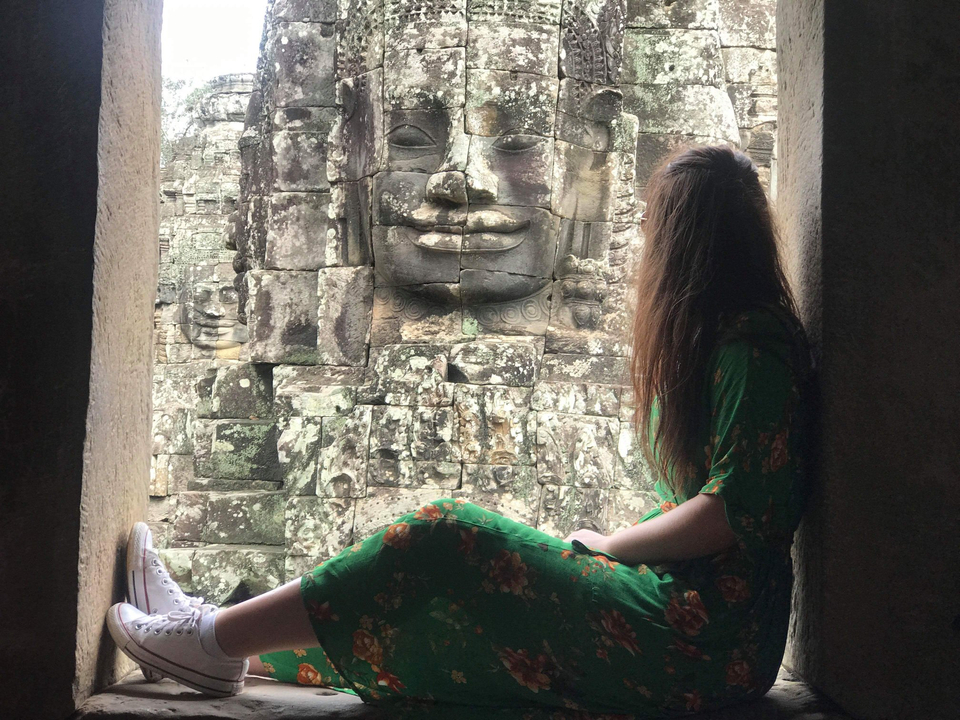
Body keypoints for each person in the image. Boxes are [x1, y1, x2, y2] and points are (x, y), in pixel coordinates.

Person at [107, 145, 813, 717]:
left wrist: (609, 546)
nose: (643, 243)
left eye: (657, 226)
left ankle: (208, 639)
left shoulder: (754, 344)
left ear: (691, 242)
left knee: (448, 533)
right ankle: (224, 641)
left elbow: (734, 508)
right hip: (691, 622)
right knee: (442, 608)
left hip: (709, 637)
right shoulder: (723, 339)